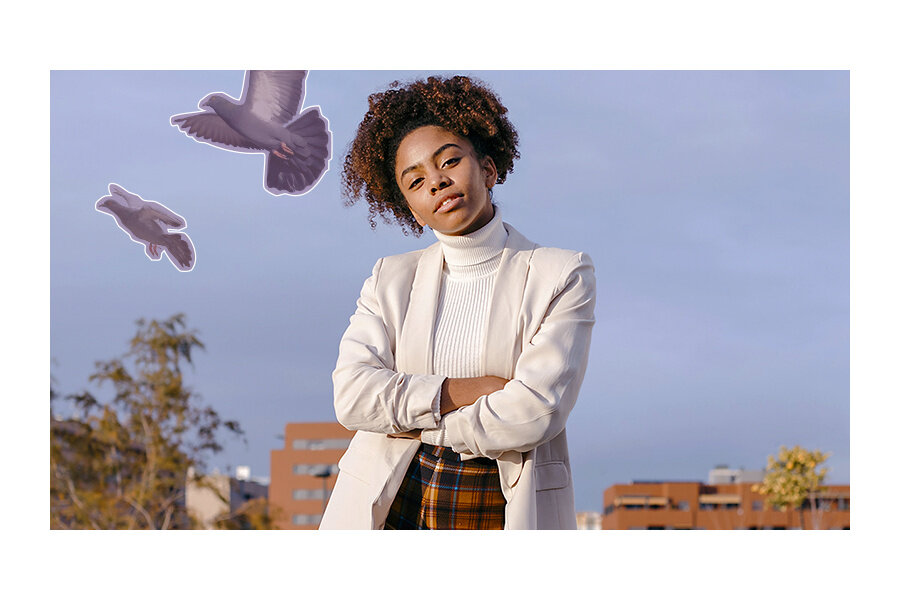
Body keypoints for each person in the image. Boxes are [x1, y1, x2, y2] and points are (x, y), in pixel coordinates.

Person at [319, 75, 596, 530]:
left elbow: (536, 412)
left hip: (499, 502)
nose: (437, 182)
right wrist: (465, 390)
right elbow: (352, 398)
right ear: (408, 205)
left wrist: (418, 421)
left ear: (488, 168)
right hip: (391, 502)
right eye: (416, 180)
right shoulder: (390, 277)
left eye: (449, 161)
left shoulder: (560, 273)